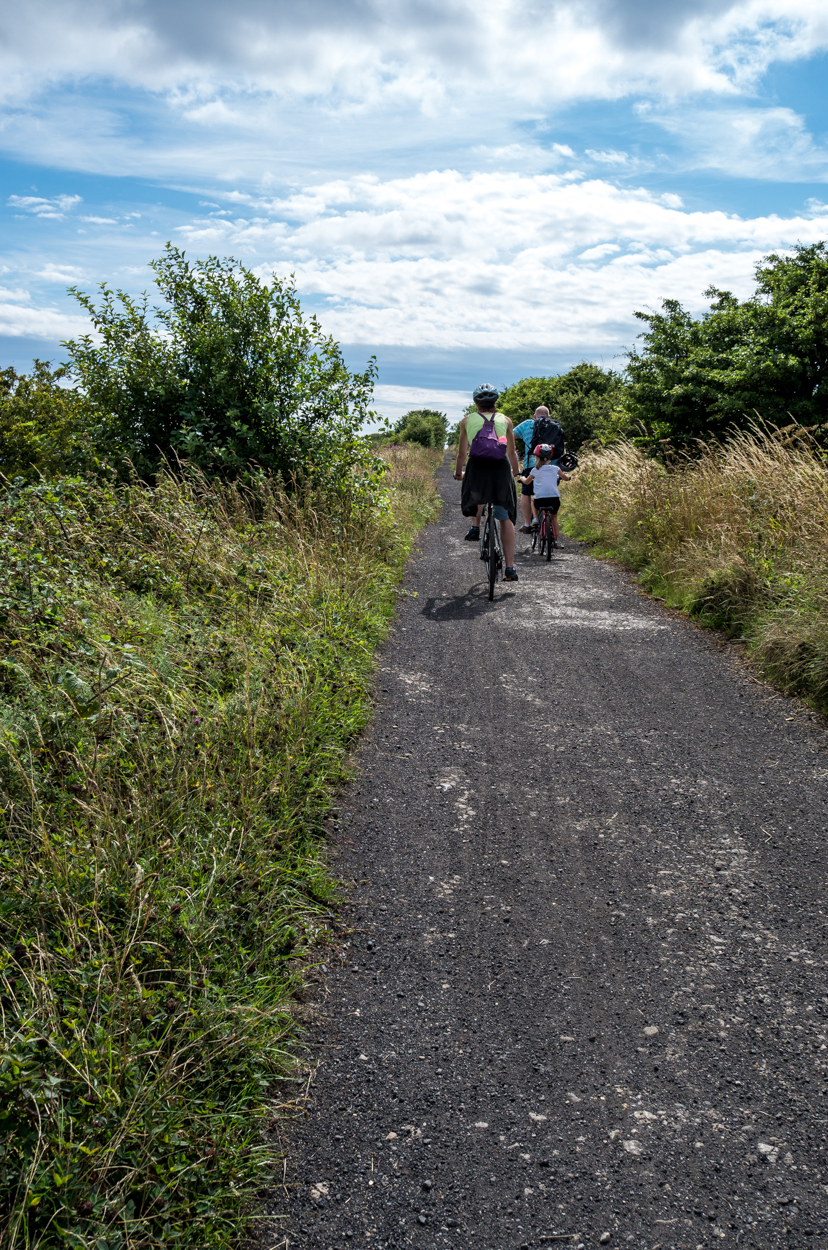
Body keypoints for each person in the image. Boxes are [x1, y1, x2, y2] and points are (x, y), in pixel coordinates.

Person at [453, 383, 521, 582]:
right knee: (505, 516)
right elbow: (511, 452)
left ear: (476, 403)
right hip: (500, 467)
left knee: (476, 491)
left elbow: (461, 453)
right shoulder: (506, 420)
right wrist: (515, 472)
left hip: (477, 467)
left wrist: (458, 473)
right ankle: (510, 568)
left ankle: (475, 526)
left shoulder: (466, 421)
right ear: (495, 402)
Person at [513, 405, 557, 533]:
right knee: (549, 491)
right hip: (552, 466)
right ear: (548, 416)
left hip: (532, 465)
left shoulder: (527, 424)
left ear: (534, 416)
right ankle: (553, 528)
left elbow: (510, 436)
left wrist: (513, 450)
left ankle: (528, 523)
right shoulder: (554, 425)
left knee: (526, 493)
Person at [517, 443, 571, 547]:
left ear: (536, 457)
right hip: (554, 500)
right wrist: (568, 477)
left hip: (540, 501)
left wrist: (522, 478)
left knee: (533, 499)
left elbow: (527, 482)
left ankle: (536, 518)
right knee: (554, 516)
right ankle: (558, 540)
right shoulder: (556, 469)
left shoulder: (534, 470)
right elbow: (565, 478)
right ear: (550, 457)